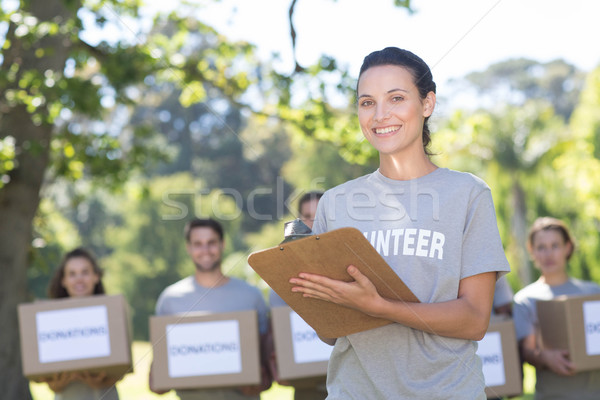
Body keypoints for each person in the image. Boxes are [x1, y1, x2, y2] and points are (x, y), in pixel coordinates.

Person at [289, 47, 510, 399]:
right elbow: (330, 334)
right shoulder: (336, 202)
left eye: (396, 98)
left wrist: (381, 307)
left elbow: (474, 319)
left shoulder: (467, 193)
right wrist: (312, 292)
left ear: (427, 104)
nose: (380, 115)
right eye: (366, 102)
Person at [149, 218, 272, 400]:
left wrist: (260, 380)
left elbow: (267, 367)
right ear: (188, 248)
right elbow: (156, 380)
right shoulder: (170, 299)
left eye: (211, 243)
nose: (205, 250)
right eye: (198, 244)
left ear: (222, 244)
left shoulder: (251, 296)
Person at [513, 217, 600, 399]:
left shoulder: (593, 293)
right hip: (552, 395)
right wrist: (546, 358)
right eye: (541, 247)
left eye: (555, 246)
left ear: (567, 247)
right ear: (532, 251)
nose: (548, 254)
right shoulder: (525, 300)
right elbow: (526, 351)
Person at [269, 191, 328, 400]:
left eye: (320, 214)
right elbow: (279, 332)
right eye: (307, 216)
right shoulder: (280, 278)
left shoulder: (357, 265)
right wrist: (280, 364)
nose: (313, 222)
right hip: (307, 390)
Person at [42, 247, 121, 400]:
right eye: (72, 274)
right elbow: (45, 371)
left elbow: (123, 364)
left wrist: (105, 381)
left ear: (96, 276)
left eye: (85, 272)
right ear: (63, 281)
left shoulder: (113, 315)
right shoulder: (51, 321)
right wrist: (54, 385)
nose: (79, 279)